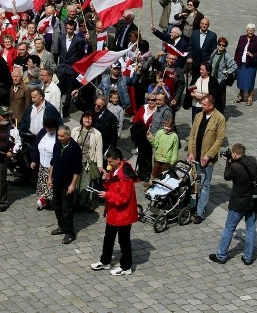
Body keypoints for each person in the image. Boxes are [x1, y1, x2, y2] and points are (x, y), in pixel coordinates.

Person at [91, 147, 139, 276]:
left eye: (110, 162)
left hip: (123, 214)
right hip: (114, 212)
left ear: (118, 160)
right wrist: (107, 180)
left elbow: (123, 198)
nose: (108, 164)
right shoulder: (116, 171)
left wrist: (107, 195)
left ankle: (126, 267)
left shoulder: (126, 177)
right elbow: (112, 187)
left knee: (123, 241)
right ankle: (105, 261)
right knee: (108, 238)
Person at [210, 143, 257, 265]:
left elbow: (227, 176)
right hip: (252, 202)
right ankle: (248, 258)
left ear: (235, 154)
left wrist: (228, 162)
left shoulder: (235, 167)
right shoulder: (252, 160)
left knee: (229, 229)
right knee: (250, 229)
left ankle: (221, 256)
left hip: (238, 203)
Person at [187, 95, 226, 224]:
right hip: (196, 156)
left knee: (205, 185)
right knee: (196, 183)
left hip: (207, 159)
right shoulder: (198, 116)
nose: (201, 106)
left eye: (204, 104)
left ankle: (200, 213)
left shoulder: (219, 118)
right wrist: (191, 152)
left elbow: (219, 139)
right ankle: (195, 205)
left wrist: (208, 155)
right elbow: (192, 135)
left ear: (211, 105)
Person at [49, 125, 82, 244]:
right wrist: (49, 177)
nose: (59, 138)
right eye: (58, 135)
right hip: (57, 180)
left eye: (62, 136)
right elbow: (53, 162)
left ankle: (70, 232)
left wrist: (73, 184)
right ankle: (61, 226)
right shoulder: (57, 145)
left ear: (68, 136)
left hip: (67, 182)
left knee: (66, 208)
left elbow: (77, 169)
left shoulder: (75, 148)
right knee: (56, 205)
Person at [233, 23, 257, 107]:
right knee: (241, 79)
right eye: (249, 30)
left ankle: (250, 97)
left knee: (249, 80)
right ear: (246, 30)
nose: (250, 32)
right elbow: (238, 49)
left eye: (252, 30)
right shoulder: (242, 38)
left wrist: (253, 55)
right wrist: (235, 60)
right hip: (241, 62)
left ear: (254, 31)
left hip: (251, 64)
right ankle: (241, 95)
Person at [147, 118, 179, 182]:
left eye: (169, 127)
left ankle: (161, 186)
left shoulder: (174, 136)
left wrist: (173, 162)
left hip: (167, 160)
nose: (166, 128)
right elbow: (155, 145)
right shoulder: (159, 132)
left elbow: (175, 151)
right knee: (154, 173)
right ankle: (152, 184)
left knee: (163, 174)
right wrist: (151, 139)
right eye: (165, 126)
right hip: (158, 158)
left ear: (172, 127)